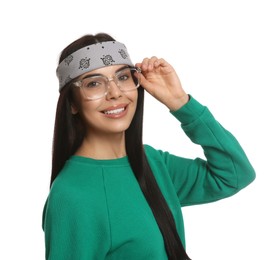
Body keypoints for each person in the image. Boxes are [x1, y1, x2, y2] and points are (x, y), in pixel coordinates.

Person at [42, 33, 255, 260]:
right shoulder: (72, 196)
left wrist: (179, 101)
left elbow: (235, 174)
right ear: (72, 103)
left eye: (123, 78)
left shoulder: (153, 162)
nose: (115, 93)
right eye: (94, 83)